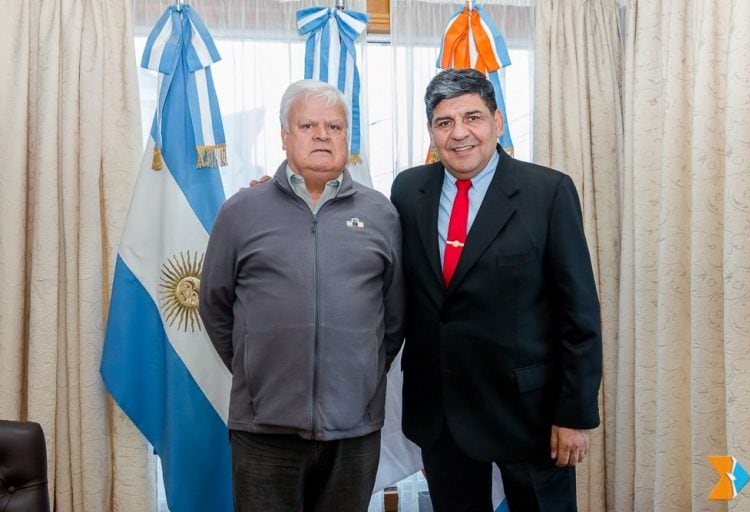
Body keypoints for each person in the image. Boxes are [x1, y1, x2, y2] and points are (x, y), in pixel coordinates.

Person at [390, 68, 602, 512]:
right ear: (431, 131)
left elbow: (579, 314)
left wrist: (574, 415)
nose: (460, 133)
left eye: (473, 117)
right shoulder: (408, 190)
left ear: (498, 122)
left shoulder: (548, 192)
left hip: (530, 414)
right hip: (442, 411)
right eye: (445, 122)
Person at [199, 79, 405, 512]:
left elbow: (394, 317)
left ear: (347, 137)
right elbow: (214, 305)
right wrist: (255, 367)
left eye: (334, 127)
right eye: (308, 125)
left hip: (354, 430)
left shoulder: (381, 213)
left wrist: (361, 375)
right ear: (285, 135)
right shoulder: (241, 211)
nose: (322, 135)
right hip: (263, 430)